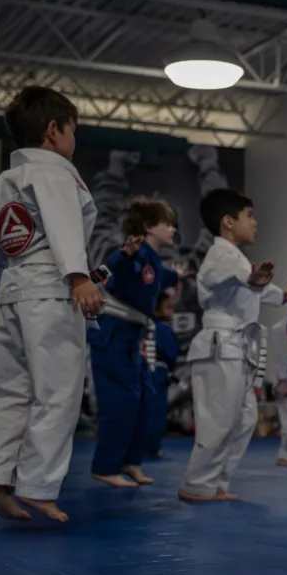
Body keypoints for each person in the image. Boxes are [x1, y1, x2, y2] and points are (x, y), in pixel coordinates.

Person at [0, 86, 103, 523]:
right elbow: (64, 222)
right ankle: (38, 486)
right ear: (53, 131)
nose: (74, 140)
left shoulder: (4, 182)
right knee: (58, 393)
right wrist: (79, 275)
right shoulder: (55, 172)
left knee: (13, 395)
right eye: (73, 130)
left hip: (12, 291)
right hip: (52, 287)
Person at [177, 188, 282, 502]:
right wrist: (252, 280)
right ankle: (197, 483)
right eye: (249, 216)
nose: (255, 223)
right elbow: (218, 277)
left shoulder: (235, 257)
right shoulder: (220, 255)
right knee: (219, 419)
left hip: (236, 348)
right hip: (218, 345)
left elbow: (258, 285)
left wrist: (284, 293)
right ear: (227, 221)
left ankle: (215, 481)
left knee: (244, 418)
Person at [88, 197, 179, 488]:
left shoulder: (153, 260)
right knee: (120, 402)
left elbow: (162, 276)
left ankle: (130, 461)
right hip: (113, 334)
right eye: (167, 223)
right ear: (150, 227)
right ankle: (105, 466)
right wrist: (122, 256)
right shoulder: (130, 254)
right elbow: (98, 275)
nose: (173, 229)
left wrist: (181, 275)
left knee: (143, 401)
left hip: (133, 335)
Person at [145, 290, 182, 459]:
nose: (171, 312)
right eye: (168, 307)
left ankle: (134, 448)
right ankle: (152, 447)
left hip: (138, 372)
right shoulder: (163, 330)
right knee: (156, 414)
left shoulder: (140, 325)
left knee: (139, 412)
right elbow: (171, 353)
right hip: (158, 374)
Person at [267, 278, 287, 467]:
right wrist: (280, 379)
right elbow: (277, 356)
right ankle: (286, 454)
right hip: (286, 377)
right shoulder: (279, 328)